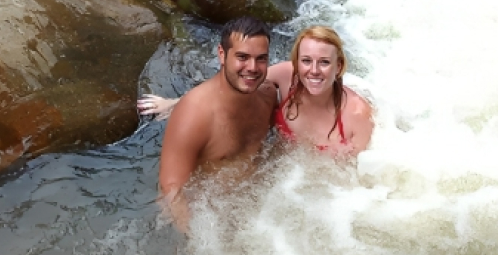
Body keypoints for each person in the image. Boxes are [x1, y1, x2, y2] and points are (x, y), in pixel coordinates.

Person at [140, 25, 374, 155]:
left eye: (324, 62)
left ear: (339, 66)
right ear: (296, 62)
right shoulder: (286, 76)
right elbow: (231, 85)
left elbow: (356, 184)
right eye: (306, 61)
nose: (313, 71)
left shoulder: (356, 115)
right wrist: (174, 104)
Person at [157, 16, 277, 232]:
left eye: (261, 59)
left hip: (259, 211)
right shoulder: (195, 115)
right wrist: (199, 241)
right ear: (222, 54)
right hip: (212, 218)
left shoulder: (268, 95)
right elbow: (171, 191)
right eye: (242, 57)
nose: (252, 67)